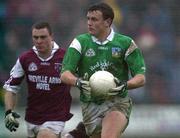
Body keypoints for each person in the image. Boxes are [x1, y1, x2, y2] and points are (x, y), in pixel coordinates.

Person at [60, 2, 146, 138]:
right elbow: (65, 74)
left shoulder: (126, 43)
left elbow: (140, 78)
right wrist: (78, 82)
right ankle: (80, 133)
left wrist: (125, 85)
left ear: (108, 22)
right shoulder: (80, 42)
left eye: (94, 19)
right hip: (90, 107)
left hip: (118, 103)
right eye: (88, 19)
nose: (89, 23)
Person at [3, 21, 73, 138]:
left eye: (43, 37)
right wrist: (8, 112)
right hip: (32, 118)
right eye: (35, 37)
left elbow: (80, 78)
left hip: (56, 117)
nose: (39, 41)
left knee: (45, 135)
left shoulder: (66, 57)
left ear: (52, 37)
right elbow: (11, 88)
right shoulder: (25, 59)